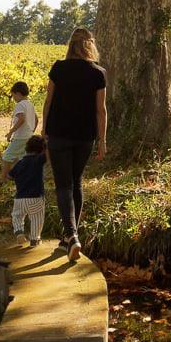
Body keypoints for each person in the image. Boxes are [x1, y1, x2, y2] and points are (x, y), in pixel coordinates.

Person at [42, 27, 106, 263]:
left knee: (63, 185)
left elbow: (48, 101)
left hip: (59, 134)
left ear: (70, 45)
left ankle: (71, 236)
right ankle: (69, 237)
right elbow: (101, 111)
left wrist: (44, 130)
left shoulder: (59, 68)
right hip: (85, 136)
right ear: (90, 45)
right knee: (76, 182)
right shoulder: (98, 73)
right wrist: (102, 140)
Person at [8, 134, 48, 245]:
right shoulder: (39, 159)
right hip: (36, 198)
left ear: (27, 147)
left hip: (19, 199)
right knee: (37, 219)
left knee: (16, 216)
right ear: (41, 149)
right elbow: (48, 154)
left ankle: (19, 233)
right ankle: (34, 239)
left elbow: (10, 176)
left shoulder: (20, 163)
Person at [2, 80, 37, 163]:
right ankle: (20, 174)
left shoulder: (20, 104)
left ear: (17, 93)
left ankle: (5, 176)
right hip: (28, 135)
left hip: (20, 137)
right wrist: (31, 131)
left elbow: (21, 119)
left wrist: (11, 132)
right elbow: (36, 119)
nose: (13, 98)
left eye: (13, 95)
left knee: (7, 156)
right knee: (22, 157)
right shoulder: (30, 104)